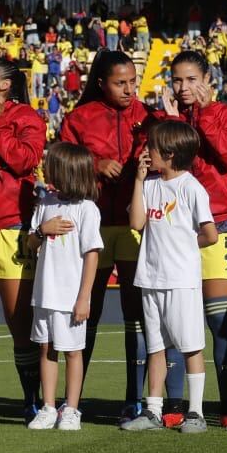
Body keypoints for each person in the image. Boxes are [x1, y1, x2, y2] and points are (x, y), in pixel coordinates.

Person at [59, 50, 173, 423]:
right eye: (120, 83)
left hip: (134, 225)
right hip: (89, 225)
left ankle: (133, 399)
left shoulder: (149, 117)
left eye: (132, 82)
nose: (129, 89)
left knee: (136, 313)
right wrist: (94, 164)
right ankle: (72, 401)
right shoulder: (79, 118)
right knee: (84, 311)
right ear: (100, 83)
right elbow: (59, 161)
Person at [156, 50, 227, 425]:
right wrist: (172, 123)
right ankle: (176, 404)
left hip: (219, 225)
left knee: (219, 321)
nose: (184, 87)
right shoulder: (164, 119)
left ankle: (226, 406)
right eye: (177, 80)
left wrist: (202, 118)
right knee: (177, 323)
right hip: (175, 229)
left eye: (192, 79)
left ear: (208, 79)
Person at [121, 121, 218, 433]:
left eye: (152, 146)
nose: (147, 152)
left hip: (180, 279)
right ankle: (152, 410)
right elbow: (136, 222)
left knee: (190, 346)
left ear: (170, 153)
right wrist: (138, 180)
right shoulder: (149, 185)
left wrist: (185, 247)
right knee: (155, 347)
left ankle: (196, 412)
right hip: (149, 278)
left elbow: (211, 234)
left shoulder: (191, 188)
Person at [0, 56, 47, 421]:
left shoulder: (26, 118)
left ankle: (31, 401)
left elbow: (23, 162)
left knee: (20, 323)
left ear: (4, 85)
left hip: (11, 226)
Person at [26, 143, 103, 431]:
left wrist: (84, 298)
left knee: (73, 351)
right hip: (44, 293)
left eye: (51, 166)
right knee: (46, 349)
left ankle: (71, 409)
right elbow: (31, 243)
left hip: (71, 296)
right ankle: (48, 407)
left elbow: (92, 254)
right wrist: (40, 231)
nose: (46, 170)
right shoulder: (45, 204)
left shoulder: (87, 210)